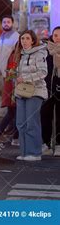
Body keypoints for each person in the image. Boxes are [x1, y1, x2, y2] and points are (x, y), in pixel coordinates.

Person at [14, 30, 48, 161]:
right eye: (22, 38)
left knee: (31, 122)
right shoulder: (21, 55)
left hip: (36, 91)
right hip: (21, 92)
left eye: (27, 38)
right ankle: (24, 152)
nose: (24, 41)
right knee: (21, 123)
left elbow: (43, 72)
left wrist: (26, 78)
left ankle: (34, 153)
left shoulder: (39, 53)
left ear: (33, 40)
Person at [0, 15, 19, 141]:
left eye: (9, 22)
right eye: (4, 22)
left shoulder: (16, 36)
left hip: (12, 75)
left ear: (12, 23)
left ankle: (2, 130)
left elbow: (15, 56)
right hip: (5, 75)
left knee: (12, 105)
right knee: (10, 105)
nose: (6, 23)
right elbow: (0, 57)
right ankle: (11, 130)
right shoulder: (2, 36)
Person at [41, 26, 60, 155]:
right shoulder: (46, 51)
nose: (57, 38)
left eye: (59, 35)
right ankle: (46, 144)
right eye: (55, 35)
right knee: (44, 115)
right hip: (47, 88)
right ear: (52, 37)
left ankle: (58, 145)